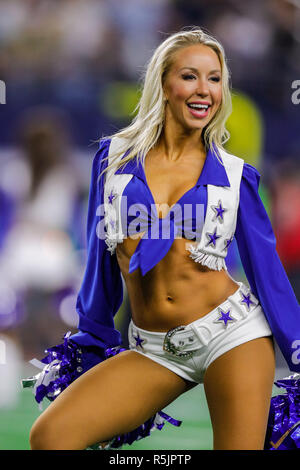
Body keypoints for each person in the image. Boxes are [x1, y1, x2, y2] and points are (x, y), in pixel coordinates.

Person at [27, 27, 300, 451]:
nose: (204, 90)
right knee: (51, 437)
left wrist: (299, 352)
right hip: (152, 348)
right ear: (163, 83)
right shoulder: (112, 158)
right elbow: (100, 262)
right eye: (190, 76)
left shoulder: (234, 175)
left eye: (215, 79)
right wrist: (92, 341)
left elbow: (269, 276)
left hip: (231, 334)